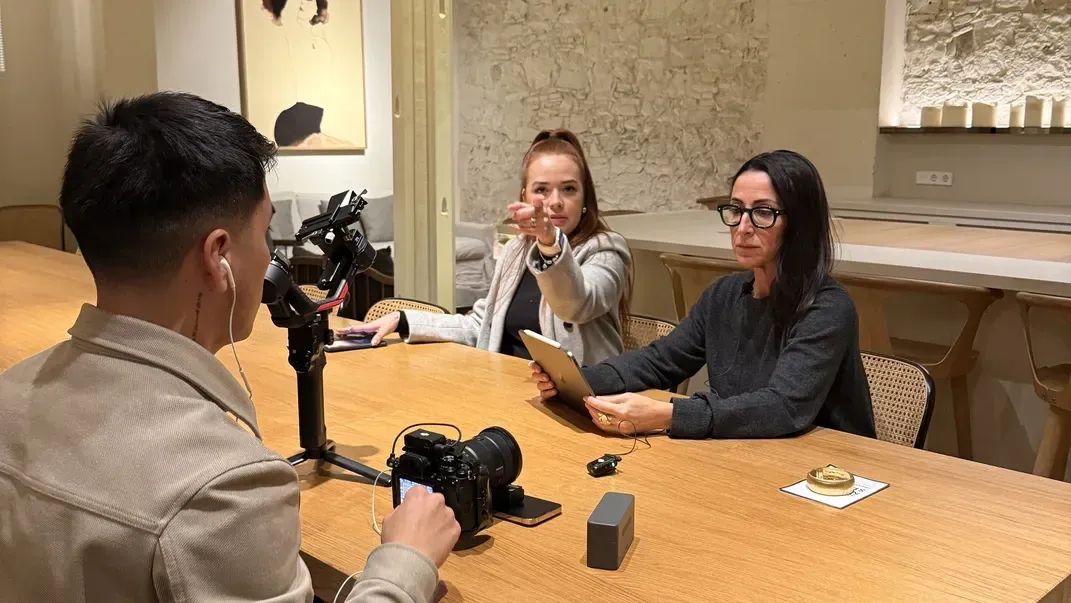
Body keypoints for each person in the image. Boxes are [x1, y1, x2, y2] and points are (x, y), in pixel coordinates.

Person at [0, 92, 459, 602]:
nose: (268, 257)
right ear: (218, 256)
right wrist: (406, 561)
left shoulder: (9, 395)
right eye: (264, 233)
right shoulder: (223, 488)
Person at [531, 150, 876, 440]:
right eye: (736, 210)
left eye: (763, 212)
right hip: (748, 453)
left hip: (828, 472)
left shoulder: (826, 307)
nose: (742, 228)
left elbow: (783, 408)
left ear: (799, 224)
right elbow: (660, 361)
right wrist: (577, 380)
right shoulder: (724, 295)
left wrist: (668, 415)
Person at [341, 129, 633, 366]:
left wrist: (549, 243)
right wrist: (404, 320)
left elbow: (575, 306)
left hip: (583, 402)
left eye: (568, 189)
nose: (555, 201)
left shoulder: (606, 249)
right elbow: (482, 325)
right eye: (542, 190)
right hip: (507, 389)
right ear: (525, 196)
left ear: (585, 197)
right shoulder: (516, 251)